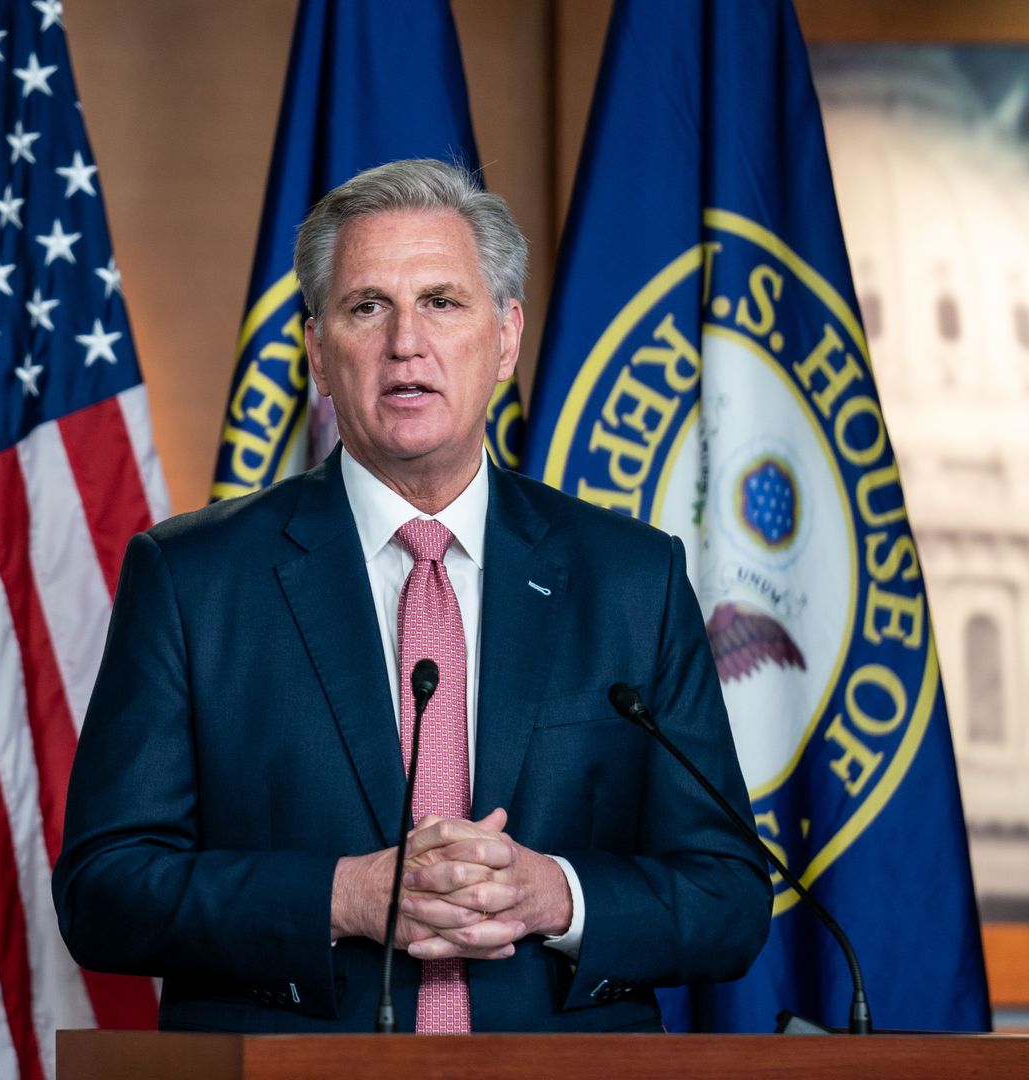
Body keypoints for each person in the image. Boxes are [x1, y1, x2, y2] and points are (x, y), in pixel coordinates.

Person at [52, 159, 770, 1033]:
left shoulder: (631, 580)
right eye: (366, 307)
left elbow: (729, 894)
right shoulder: (193, 579)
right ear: (318, 350)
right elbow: (103, 890)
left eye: (441, 301)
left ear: (505, 338)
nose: (405, 343)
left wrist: (557, 895)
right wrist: (341, 896)